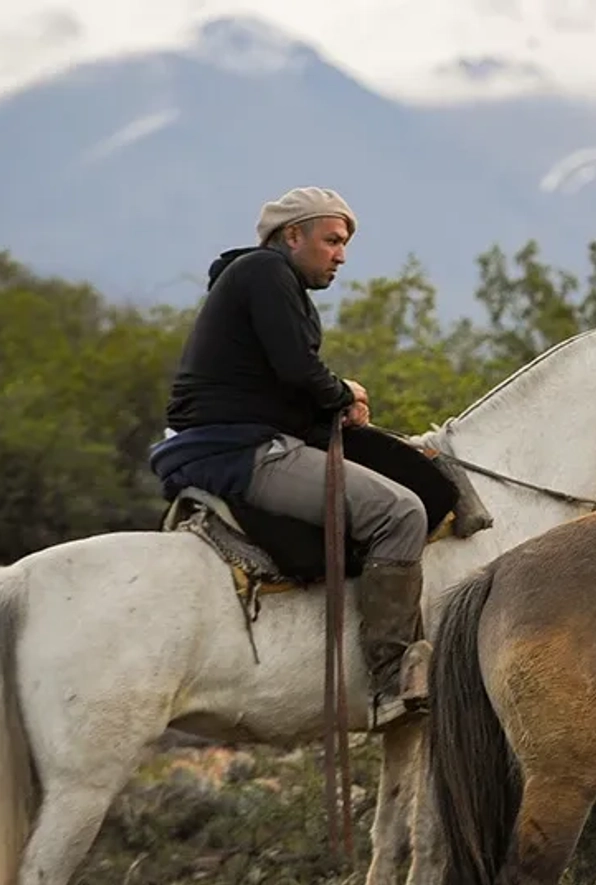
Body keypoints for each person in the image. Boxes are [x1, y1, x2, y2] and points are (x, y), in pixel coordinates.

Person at [148, 186, 430, 720]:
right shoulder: (265, 273)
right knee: (402, 513)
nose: (341, 255)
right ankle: (390, 676)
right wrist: (344, 393)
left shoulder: (262, 281)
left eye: (344, 244)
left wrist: (335, 404)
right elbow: (297, 371)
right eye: (332, 240)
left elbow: (281, 382)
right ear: (292, 235)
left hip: (235, 439)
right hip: (240, 450)